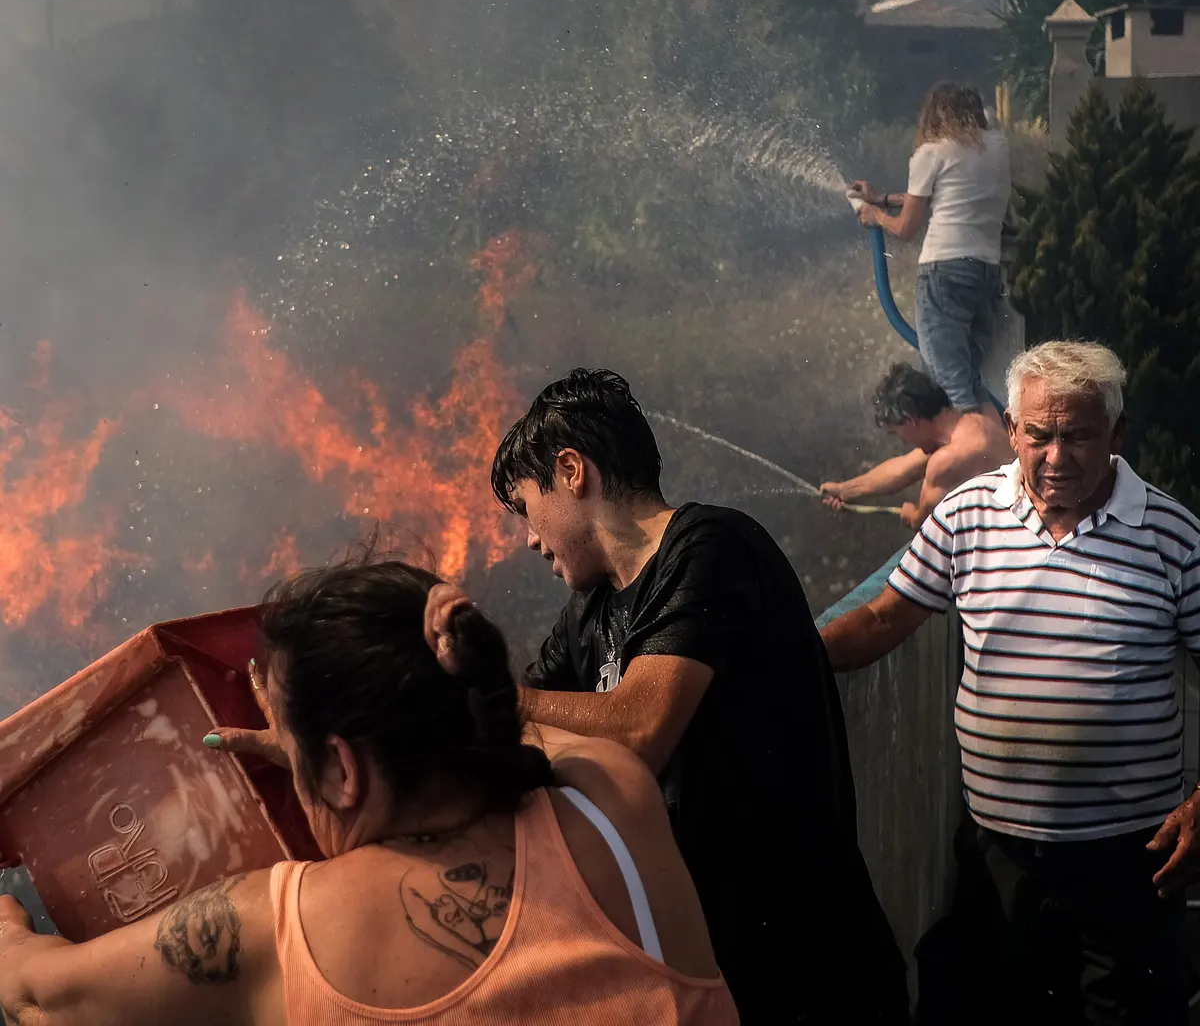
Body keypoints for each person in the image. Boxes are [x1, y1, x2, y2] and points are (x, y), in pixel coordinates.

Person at [0, 548, 738, 1026]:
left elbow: (37, 994)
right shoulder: (610, 796)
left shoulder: (280, 931)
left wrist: (7, 922)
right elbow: (499, 715)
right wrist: (311, 750)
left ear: (345, 768)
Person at [490, 368, 910, 1025]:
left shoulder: (713, 547)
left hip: (808, 972)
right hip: (703, 976)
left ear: (572, 471)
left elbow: (638, 729)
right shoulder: (589, 613)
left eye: (525, 509)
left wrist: (487, 699)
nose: (531, 540)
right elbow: (514, 718)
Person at [821, 340, 1200, 1024]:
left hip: (1130, 862)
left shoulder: (1173, 536)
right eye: (1039, 435)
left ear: (1116, 434)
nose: (1056, 458)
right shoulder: (967, 514)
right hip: (999, 855)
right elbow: (880, 621)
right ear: (1011, 428)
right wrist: (775, 654)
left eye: (1079, 436)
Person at [851, 82, 1011, 422]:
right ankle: (993, 453)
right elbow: (950, 194)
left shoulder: (931, 153)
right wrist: (883, 198)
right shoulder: (997, 146)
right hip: (985, 275)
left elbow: (906, 230)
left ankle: (972, 456)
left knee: (949, 387)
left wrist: (875, 216)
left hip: (944, 275)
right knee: (970, 382)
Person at [820, 362, 1012, 529]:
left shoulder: (948, 459)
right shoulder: (972, 423)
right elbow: (903, 469)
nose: (902, 440)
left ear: (910, 420)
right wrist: (845, 490)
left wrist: (910, 513)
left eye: (896, 432)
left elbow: (921, 522)